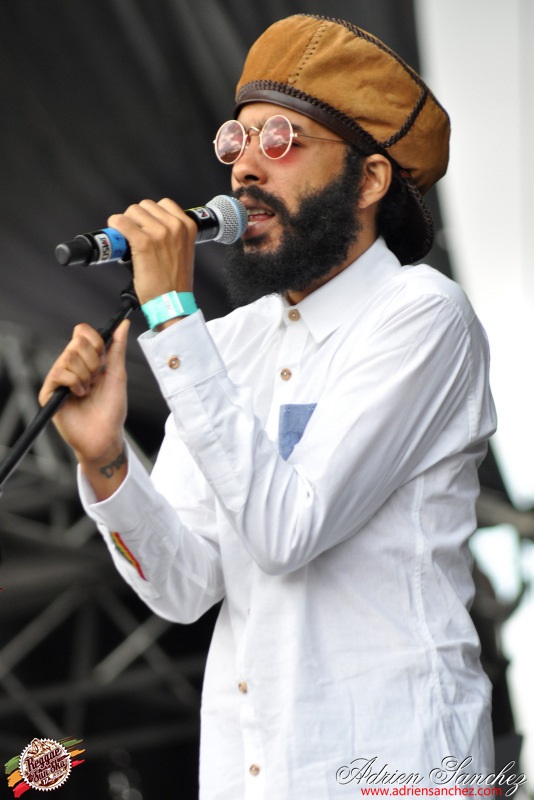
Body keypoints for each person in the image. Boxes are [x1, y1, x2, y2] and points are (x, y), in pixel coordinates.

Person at [39, 14, 497, 799]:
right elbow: (185, 586)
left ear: (369, 181)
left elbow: (289, 531)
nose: (245, 167)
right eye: (237, 140)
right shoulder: (226, 343)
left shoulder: (422, 316)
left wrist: (172, 315)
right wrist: (108, 461)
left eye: (281, 140)